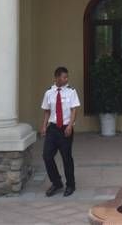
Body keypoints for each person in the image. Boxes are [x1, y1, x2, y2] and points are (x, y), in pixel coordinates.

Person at [40, 66, 80, 196]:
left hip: (65, 128)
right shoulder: (49, 92)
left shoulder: (71, 91)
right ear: (57, 77)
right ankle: (56, 183)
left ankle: (70, 185)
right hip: (52, 129)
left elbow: (74, 110)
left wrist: (70, 126)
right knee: (47, 156)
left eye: (67, 77)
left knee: (66, 157)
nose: (66, 79)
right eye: (64, 77)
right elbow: (47, 111)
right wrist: (44, 126)